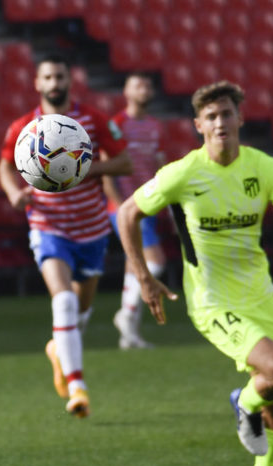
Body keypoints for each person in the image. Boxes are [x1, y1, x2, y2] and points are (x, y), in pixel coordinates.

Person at [116, 81, 273, 466]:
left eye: (227, 113)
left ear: (240, 118)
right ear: (198, 126)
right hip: (213, 301)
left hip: (261, 295)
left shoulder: (265, 168)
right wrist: (143, 277)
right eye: (211, 116)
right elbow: (127, 213)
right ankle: (241, 403)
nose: (220, 122)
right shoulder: (183, 173)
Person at [0, 53, 132, 417]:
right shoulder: (24, 127)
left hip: (91, 229)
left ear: (69, 80)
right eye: (48, 77)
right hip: (48, 226)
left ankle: (59, 348)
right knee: (64, 302)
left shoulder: (94, 119)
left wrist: (81, 169)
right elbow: (5, 166)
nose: (54, 83)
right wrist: (14, 193)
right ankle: (77, 386)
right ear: (37, 83)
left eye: (60, 76)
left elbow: (125, 162)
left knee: (82, 308)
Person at [104, 72, 169, 349]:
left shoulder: (155, 126)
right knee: (155, 261)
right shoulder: (117, 125)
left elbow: (161, 166)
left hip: (148, 203)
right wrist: (119, 205)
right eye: (138, 85)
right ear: (126, 92)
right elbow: (107, 168)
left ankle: (129, 335)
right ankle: (126, 315)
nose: (144, 89)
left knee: (135, 263)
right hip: (126, 206)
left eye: (148, 84)